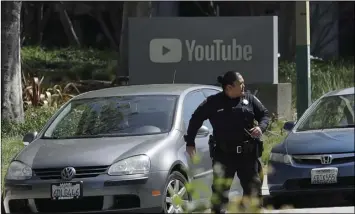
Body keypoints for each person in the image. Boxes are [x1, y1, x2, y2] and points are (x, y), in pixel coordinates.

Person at [184, 71, 270, 213]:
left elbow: (264, 115)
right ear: (229, 87)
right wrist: (190, 142)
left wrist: (261, 128)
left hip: (247, 155)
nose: (244, 86)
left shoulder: (249, 99)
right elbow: (195, 119)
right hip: (223, 155)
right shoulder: (213, 102)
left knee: (253, 193)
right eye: (240, 84)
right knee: (219, 196)